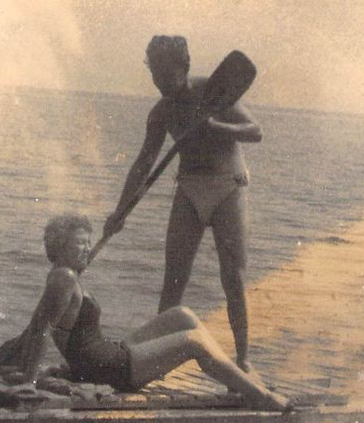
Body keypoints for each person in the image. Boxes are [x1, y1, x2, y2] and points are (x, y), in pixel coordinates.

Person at [12, 213, 288, 410]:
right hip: (112, 369)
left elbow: (45, 325)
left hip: (106, 354)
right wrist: (29, 380)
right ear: (60, 248)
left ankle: (234, 379)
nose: (87, 248)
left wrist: (112, 228)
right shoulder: (65, 279)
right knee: (194, 341)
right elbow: (41, 329)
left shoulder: (66, 274)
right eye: (79, 244)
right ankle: (259, 394)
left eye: (88, 242)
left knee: (182, 314)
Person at [103, 35, 261, 371]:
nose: (159, 82)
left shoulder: (211, 92)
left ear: (184, 67)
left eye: (166, 74)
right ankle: (154, 359)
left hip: (228, 187)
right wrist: (120, 211)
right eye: (154, 75)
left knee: (233, 277)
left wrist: (216, 125)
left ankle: (244, 358)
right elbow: (144, 163)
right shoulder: (161, 112)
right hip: (189, 188)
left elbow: (254, 131)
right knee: (173, 279)